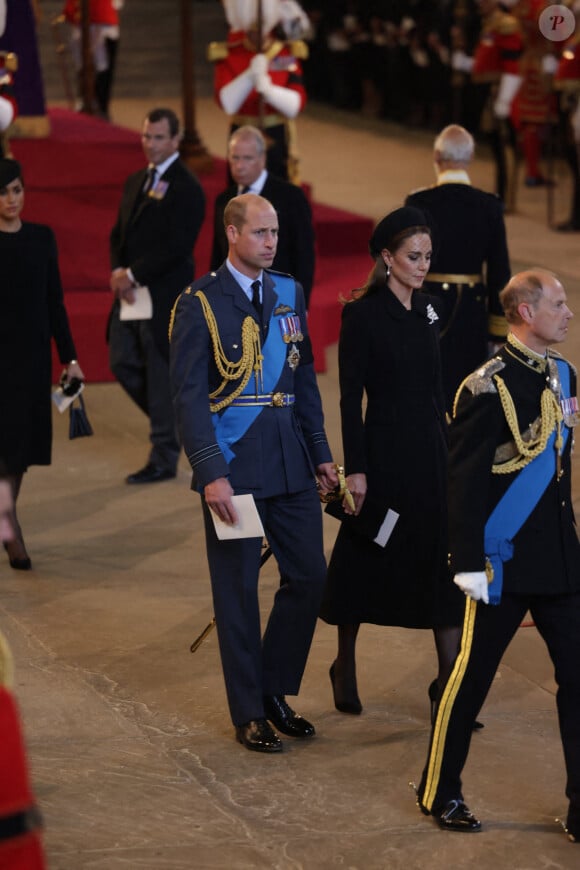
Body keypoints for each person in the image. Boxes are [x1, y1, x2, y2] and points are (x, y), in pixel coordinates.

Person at [415, 269, 580, 843]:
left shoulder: (564, 373)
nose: (569, 313)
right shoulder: (485, 387)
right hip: (499, 563)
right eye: (558, 304)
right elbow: (461, 486)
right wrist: (466, 566)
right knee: (469, 679)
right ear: (525, 313)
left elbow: (558, 473)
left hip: (560, 562)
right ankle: (441, 790)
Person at [170, 193, 338, 752]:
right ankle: (248, 711)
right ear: (232, 234)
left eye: (275, 232)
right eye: (261, 232)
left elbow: (304, 377)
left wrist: (320, 451)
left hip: (289, 459)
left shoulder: (288, 291)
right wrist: (210, 472)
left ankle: (273, 690)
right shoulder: (198, 302)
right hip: (234, 465)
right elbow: (190, 398)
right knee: (239, 590)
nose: (271, 242)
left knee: (310, 576)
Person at [319, 206, 465, 720]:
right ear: (387, 257)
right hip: (381, 455)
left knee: (439, 557)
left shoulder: (429, 310)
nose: (423, 265)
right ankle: (344, 663)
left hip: (428, 452)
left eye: (427, 256)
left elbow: (435, 388)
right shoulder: (361, 313)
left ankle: (448, 682)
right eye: (412, 256)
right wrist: (354, 469)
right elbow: (348, 398)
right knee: (364, 557)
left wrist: (451, 449)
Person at [108, 107, 205, 484]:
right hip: (130, 294)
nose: (150, 143)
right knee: (122, 362)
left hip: (163, 295)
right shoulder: (136, 180)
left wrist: (132, 274)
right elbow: (118, 234)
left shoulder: (187, 186)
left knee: (161, 373)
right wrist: (120, 272)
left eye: (159, 137)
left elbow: (178, 247)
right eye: (146, 136)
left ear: (176, 140)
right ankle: (177, 426)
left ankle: (164, 455)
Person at [0, 158, 84, 571]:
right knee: (6, 447)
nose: (11, 199)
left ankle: (5, 516)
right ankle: (8, 523)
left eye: (17, 189)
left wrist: (69, 358)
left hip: (30, 361)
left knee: (20, 449)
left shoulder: (41, 238)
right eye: (3, 192)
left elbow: (55, 303)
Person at [405, 123, 511, 412]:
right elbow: (500, 271)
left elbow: (404, 265)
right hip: (472, 310)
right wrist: (498, 330)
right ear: (471, 156)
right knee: (468, 391)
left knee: (426, 388)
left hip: (425, 305)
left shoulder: (418, 202)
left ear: (437, 157)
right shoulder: (489, 206)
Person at [210, 125, 315, 307]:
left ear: (262, 158)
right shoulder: (224, 200)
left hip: (278, 300)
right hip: (233, 301)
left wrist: (301, 303)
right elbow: (218, 254)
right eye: (235, 158)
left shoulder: (290, 196)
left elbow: (304, 254)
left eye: (247, 158)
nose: (239, 166)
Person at [209, 0, 308, 182]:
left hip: (275, 131)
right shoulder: (230, 53)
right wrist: (249, 77)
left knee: (277, 186)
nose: (256, 35)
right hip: (242, 130)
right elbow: (227, 104)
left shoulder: (285, 54)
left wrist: (269, 91)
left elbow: (296, 104)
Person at [62, 0, 124, 120]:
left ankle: (98, 106)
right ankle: (88, 102)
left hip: (103, 26)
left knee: (102, 69)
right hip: (85, 25)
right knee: (87, 68)